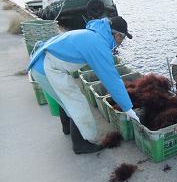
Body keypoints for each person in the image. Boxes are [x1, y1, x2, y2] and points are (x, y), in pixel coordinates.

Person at [27, 16, 140, 154]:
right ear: (117, 35)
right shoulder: (98, 44)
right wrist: (128, 108)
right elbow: (112, 80)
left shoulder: (93, 34)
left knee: (66, 99)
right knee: (77, 104)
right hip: (47, 69)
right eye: (122, 39)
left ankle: (67, 129)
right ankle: (81, 145)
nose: (121, 43)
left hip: (42, 63)